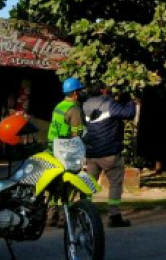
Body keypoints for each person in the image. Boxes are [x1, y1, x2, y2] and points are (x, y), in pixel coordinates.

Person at [83, 84, 136, 228]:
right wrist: (130, 101)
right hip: (110, 153)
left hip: (91, 153)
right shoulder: (109, 104)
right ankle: (114, 216)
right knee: (115, 183)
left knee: (89, 184)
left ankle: (84, 213)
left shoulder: (85, 105)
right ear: (102, 91)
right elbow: (128, 114)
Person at [46, 77, 87, 228]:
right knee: (68, 184)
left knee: (54, 184)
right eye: (80, 91)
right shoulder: (74, 109)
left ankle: (51, 215)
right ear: (76, 93)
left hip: (53, 148)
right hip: (66, 150)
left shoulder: (59, 106)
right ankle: (64, 217)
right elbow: (77, 135)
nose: (82, 93)